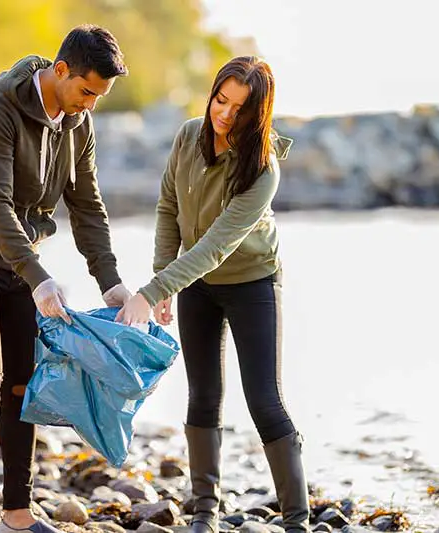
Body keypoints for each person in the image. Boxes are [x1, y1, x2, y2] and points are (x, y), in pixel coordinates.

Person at [0, 25, 132, 533]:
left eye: (100, 97)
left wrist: (110, 282)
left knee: (25, 387)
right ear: (60, 70)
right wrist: (40, 278)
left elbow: (88, 206)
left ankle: (17, 514)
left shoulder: (78, 122)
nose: (90, 104)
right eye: (87, 91)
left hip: (24, 265)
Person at [116, 56, 308, 533]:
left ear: (257, 114)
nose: (224, 114)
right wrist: (162, 277)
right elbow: (168, 206)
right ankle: (205, 513)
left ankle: (297, 522)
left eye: (239, 109)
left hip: (252, 284)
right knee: (203, 396)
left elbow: (218, 246)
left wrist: (152, 290)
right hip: (194, 285)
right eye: (220, 100)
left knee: (264, 400)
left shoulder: (263, 170)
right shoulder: (187, 136)